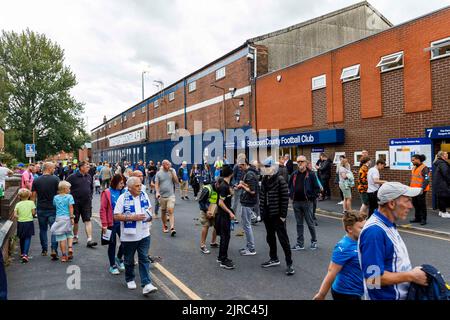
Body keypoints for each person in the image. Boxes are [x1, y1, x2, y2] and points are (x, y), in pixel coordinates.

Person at [358, 182, 428, 300]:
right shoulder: (374, 232)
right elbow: (373, 280)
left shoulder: (388, 225)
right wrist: (411, 276)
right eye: (407, 201)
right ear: (391, 203)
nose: (411, 206)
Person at [113, 176, 157, 295]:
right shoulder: (122, 198)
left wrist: (149, 215)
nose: (140, 187)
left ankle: (147, 284)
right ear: (130, 188)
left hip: (144, 233)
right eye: (137, 186)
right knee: (129, 260)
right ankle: (130, 278)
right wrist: (132, 217)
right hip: (129, 235)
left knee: (143, 258)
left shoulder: (144, 195)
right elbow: (116, 216)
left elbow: (149, 208)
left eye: (140, 185)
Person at [313, 211, 366, 300]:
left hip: (358, 290)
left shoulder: (361, 240)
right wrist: (321, 295)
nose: (365, 231)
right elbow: (332, 271)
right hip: (345, 293)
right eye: (361, 228)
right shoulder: (343, 247)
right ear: (349, 229)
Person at [260, 157, 294, 275]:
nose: (265, 169)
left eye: (267, 167)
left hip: (277, 215)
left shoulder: (280, 180)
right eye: (264, 167)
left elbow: (285, 199)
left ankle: (289, 264)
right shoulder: (264, 179)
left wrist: (283, 216)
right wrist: (262, 213)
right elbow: (262, 197)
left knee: (283, 240)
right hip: (267, 214)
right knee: (270, 237)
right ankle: (273, 258)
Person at [289, 155, 321, 251]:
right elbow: (289, 186)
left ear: (306, 162)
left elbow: (317, 188)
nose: (300, 163)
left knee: (310, 223)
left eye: (302, 161)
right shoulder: (294, 174)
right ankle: (300, 244)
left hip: (307, 203)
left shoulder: (311, 174)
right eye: (298, 161)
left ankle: (314, 241)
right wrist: (291, 196)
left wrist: (311, 197)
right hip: (296, 203)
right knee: (299, 224)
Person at [31, 162, 60, 259]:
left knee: (43, 230)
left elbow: (33, 196)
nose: (54, 170)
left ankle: (44, 249)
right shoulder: (56, 179)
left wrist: (33, 208)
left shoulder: (36, 180)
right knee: (54, 230)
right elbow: (59, 194)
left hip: (41, 208)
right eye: (53, 168)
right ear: (49, 168)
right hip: (53, 208)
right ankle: (54, 249)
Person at [100, 174, 127, 275]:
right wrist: (104, 224)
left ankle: (119, 258)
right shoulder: (107, 192)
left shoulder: (124, 192)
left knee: (125, 242)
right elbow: (103, 209)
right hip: (111, 222)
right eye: (121, 183)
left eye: (123, 183)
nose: (122, 185)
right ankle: (112, 265)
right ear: (115, 182)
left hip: (122, 221)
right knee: (112, 244)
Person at [67, 161, 97, 247]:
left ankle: (89, 239)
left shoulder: (89, 176)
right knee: (75, 221)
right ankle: (75, 237)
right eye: (86, 166)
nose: (88, 167)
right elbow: (66, 188)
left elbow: (91, 188)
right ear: (81, 167)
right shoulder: (72, 177)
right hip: (75, 203)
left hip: (86, 202)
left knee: (87, 220)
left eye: (88, 165)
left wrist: (90, 197)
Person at [236, 157, 259, 256]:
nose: (239, 168)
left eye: (240, 166)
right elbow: (250, 186)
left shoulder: (249, 174)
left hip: (248, 202)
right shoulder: (249, 173)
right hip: (246, 202)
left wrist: (242, 186)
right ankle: (248, 247)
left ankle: (251, 248)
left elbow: (253, 191)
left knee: (247, 226)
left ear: (244, 164)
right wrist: (243, 183)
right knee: (246, 226)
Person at [215, 165, 235, 270]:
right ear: (231, 174)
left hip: (223, 214)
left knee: (225, 236)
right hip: (223, 215)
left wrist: (231, 193)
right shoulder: (224, 186)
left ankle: (220, 257)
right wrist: (230, 213)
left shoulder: (226, 185)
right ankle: (223, 260)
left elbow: (225, 198)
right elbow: (220, 202)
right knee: (225, 237)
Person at [51, 181, 75, 262]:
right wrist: (72, 217)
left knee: (61, 238)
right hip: (67, 218)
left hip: (59, 219)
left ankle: (64, 256)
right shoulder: (69, 197)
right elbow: (71, 207)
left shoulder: (55, 197)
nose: (70, 190)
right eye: (69, 188)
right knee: (70, 234)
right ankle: (70, 248)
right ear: (65, 189)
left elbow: (55, 205)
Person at [155, 160, 179, 236]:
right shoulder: (159, 173)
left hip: (171, 195)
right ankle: (165, 225)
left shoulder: (172, 171)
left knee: (170, 210)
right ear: (164, 165)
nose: (169, 166)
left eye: (170, 165)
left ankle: (172, 228)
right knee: (163, 211)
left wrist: (172, 173)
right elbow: (156, 184)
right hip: (162, 196)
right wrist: (157, 192)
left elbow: (176, 182)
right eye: (168, 165)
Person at [14, 188, 36, 263]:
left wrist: (19, 217)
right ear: (29, 195)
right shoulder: (31, 203)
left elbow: (15, 215)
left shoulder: (18, 204)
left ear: (19, 196)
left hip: (20, 222)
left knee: (21, 237)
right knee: (27, 238)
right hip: (29, 222)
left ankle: (22, 252)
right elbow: (33, 213)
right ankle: (25, 254)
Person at [198, 181, 219, 254]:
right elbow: (201, 201)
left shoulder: (220, 188)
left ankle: (213, 242)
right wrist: (206, 211)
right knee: (206, 225)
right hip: (205, 210)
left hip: (214, 209)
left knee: (216, 225)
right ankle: (202, 245)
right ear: (217, 184)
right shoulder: (207, 189)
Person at [409, 154, 430, 225]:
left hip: (421, 190)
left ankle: (424, 219)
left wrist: (422, 189)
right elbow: (413, 178)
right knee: (415, 204)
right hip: (413, 189)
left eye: (413, 160)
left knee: (422, 205)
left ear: (418, 160)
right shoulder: (414, 167)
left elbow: (426, 179)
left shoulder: (424, 168)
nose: (412, 161)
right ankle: (417, 218)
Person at [432, 151, 450, 218]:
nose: (447, 155)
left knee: (441, 198)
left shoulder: (439, 162)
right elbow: (446, 174)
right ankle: (444, 212)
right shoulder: (443, 163)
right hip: (442, 183)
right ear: (442, 156)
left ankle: (441, 211)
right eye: (446, 154)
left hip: (439, 183)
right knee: (443, 198)